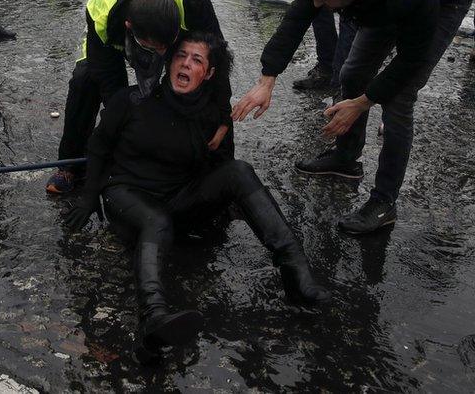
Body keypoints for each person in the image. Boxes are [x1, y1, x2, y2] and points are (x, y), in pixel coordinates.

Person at [67, 32, 328, 354]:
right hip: (128, 197)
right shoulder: (133, 100)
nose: (186, 64)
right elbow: (98, 146)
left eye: (197, 59)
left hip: (178, 200)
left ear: (209, 73)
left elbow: (221, 168)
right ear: (168, 61)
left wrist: (228, 204)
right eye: (181, 56)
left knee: (239, 170)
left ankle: (296, 274)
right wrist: (89, 196)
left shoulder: (211, 116)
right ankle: (153, 317)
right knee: (157, 220)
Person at [233, 0, 475, 235]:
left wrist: (362, 103)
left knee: (400, 98)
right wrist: (267, 79)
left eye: (325, 1)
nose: (317, 5)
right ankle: (346, 158)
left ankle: (384, 202)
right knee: (352, 70)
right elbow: (298, 17)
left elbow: (410, 61)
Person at [46, 0, 231, 194]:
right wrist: (131, 135)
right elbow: (111, 85)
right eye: (156, 49)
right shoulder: (102, 14)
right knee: (84, 79)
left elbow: (218, 58)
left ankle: (220, 170)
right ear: (129, 27)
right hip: (118, 29)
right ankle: (69, 165)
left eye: (168, 49)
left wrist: (224, 116)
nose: (162, 55)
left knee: (200, 76)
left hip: (169, 22)